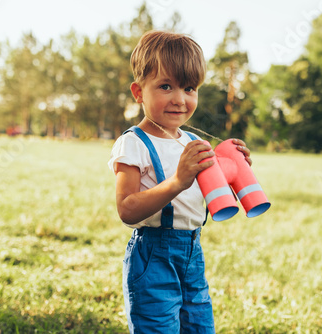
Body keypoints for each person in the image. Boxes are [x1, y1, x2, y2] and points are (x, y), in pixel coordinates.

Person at [108, 30, 252, 334]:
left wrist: (233, 172)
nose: (179, 99)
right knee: (158, 327)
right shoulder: (134, 143)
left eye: (189, 88)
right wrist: (177, 181)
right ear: (138, 92)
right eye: (165, 86)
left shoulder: (194, 141)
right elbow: (126, 209)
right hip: (153, 257)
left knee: (200, 327)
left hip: (192, 253)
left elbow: (207, 199)